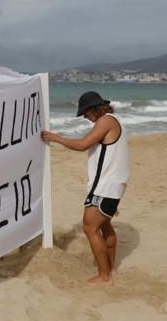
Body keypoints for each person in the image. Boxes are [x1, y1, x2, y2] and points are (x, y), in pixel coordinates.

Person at [41, 91, 130, 285]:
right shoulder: (115, 120)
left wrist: (55, 138)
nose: (84, 117)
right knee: (104, 225)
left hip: (106, 186)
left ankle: (104, 275)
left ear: (94, 109)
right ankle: (110, 268)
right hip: (114, 184)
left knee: (89, 227)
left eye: (85, 113)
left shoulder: (105, 121)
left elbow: (82, 145)